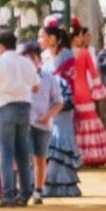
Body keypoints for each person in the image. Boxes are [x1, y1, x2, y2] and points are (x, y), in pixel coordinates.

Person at [0, 30, 40, 206]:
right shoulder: (26, 62)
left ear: (0, 46)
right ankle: (25, 192)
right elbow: (36, 87)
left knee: (6, 152)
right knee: (23, 152)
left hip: (4, 107)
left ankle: (8, 194)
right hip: (24, 107)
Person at [32, 38, 81, 199]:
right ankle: (42, 186)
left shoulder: (65, 62)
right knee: (44, 154)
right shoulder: (44, 69)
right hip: (48, 118)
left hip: (60, 116)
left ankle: (57, 186)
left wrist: (49, 113)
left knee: (55, 149)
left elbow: (63, 98)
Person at [66, 25, 106, 167]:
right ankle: (92, 154)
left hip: (69, 91)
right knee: (89, 122)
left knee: (73, 124)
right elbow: (94, 74)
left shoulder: (64, 54)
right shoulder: (84, 53)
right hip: (83, 91)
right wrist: (98, 88)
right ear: (75, 38)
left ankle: (75, 155)